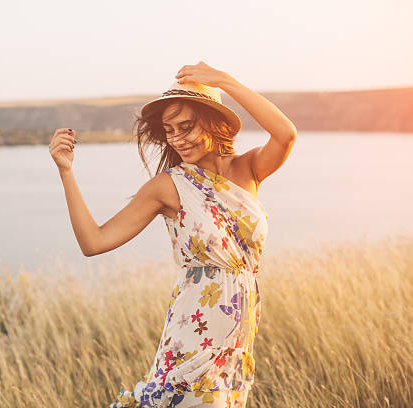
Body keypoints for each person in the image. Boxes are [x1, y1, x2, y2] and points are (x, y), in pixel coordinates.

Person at [48, 61, 297, 408]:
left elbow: (286, 134)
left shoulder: (249, 169)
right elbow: (94, 241)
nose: (178, 138)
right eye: (170, 129)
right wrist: (66, 172)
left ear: (214, 123)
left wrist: (226, 81)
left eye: (187, 126)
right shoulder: (168, 186)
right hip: (192, 335)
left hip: (236, 344)